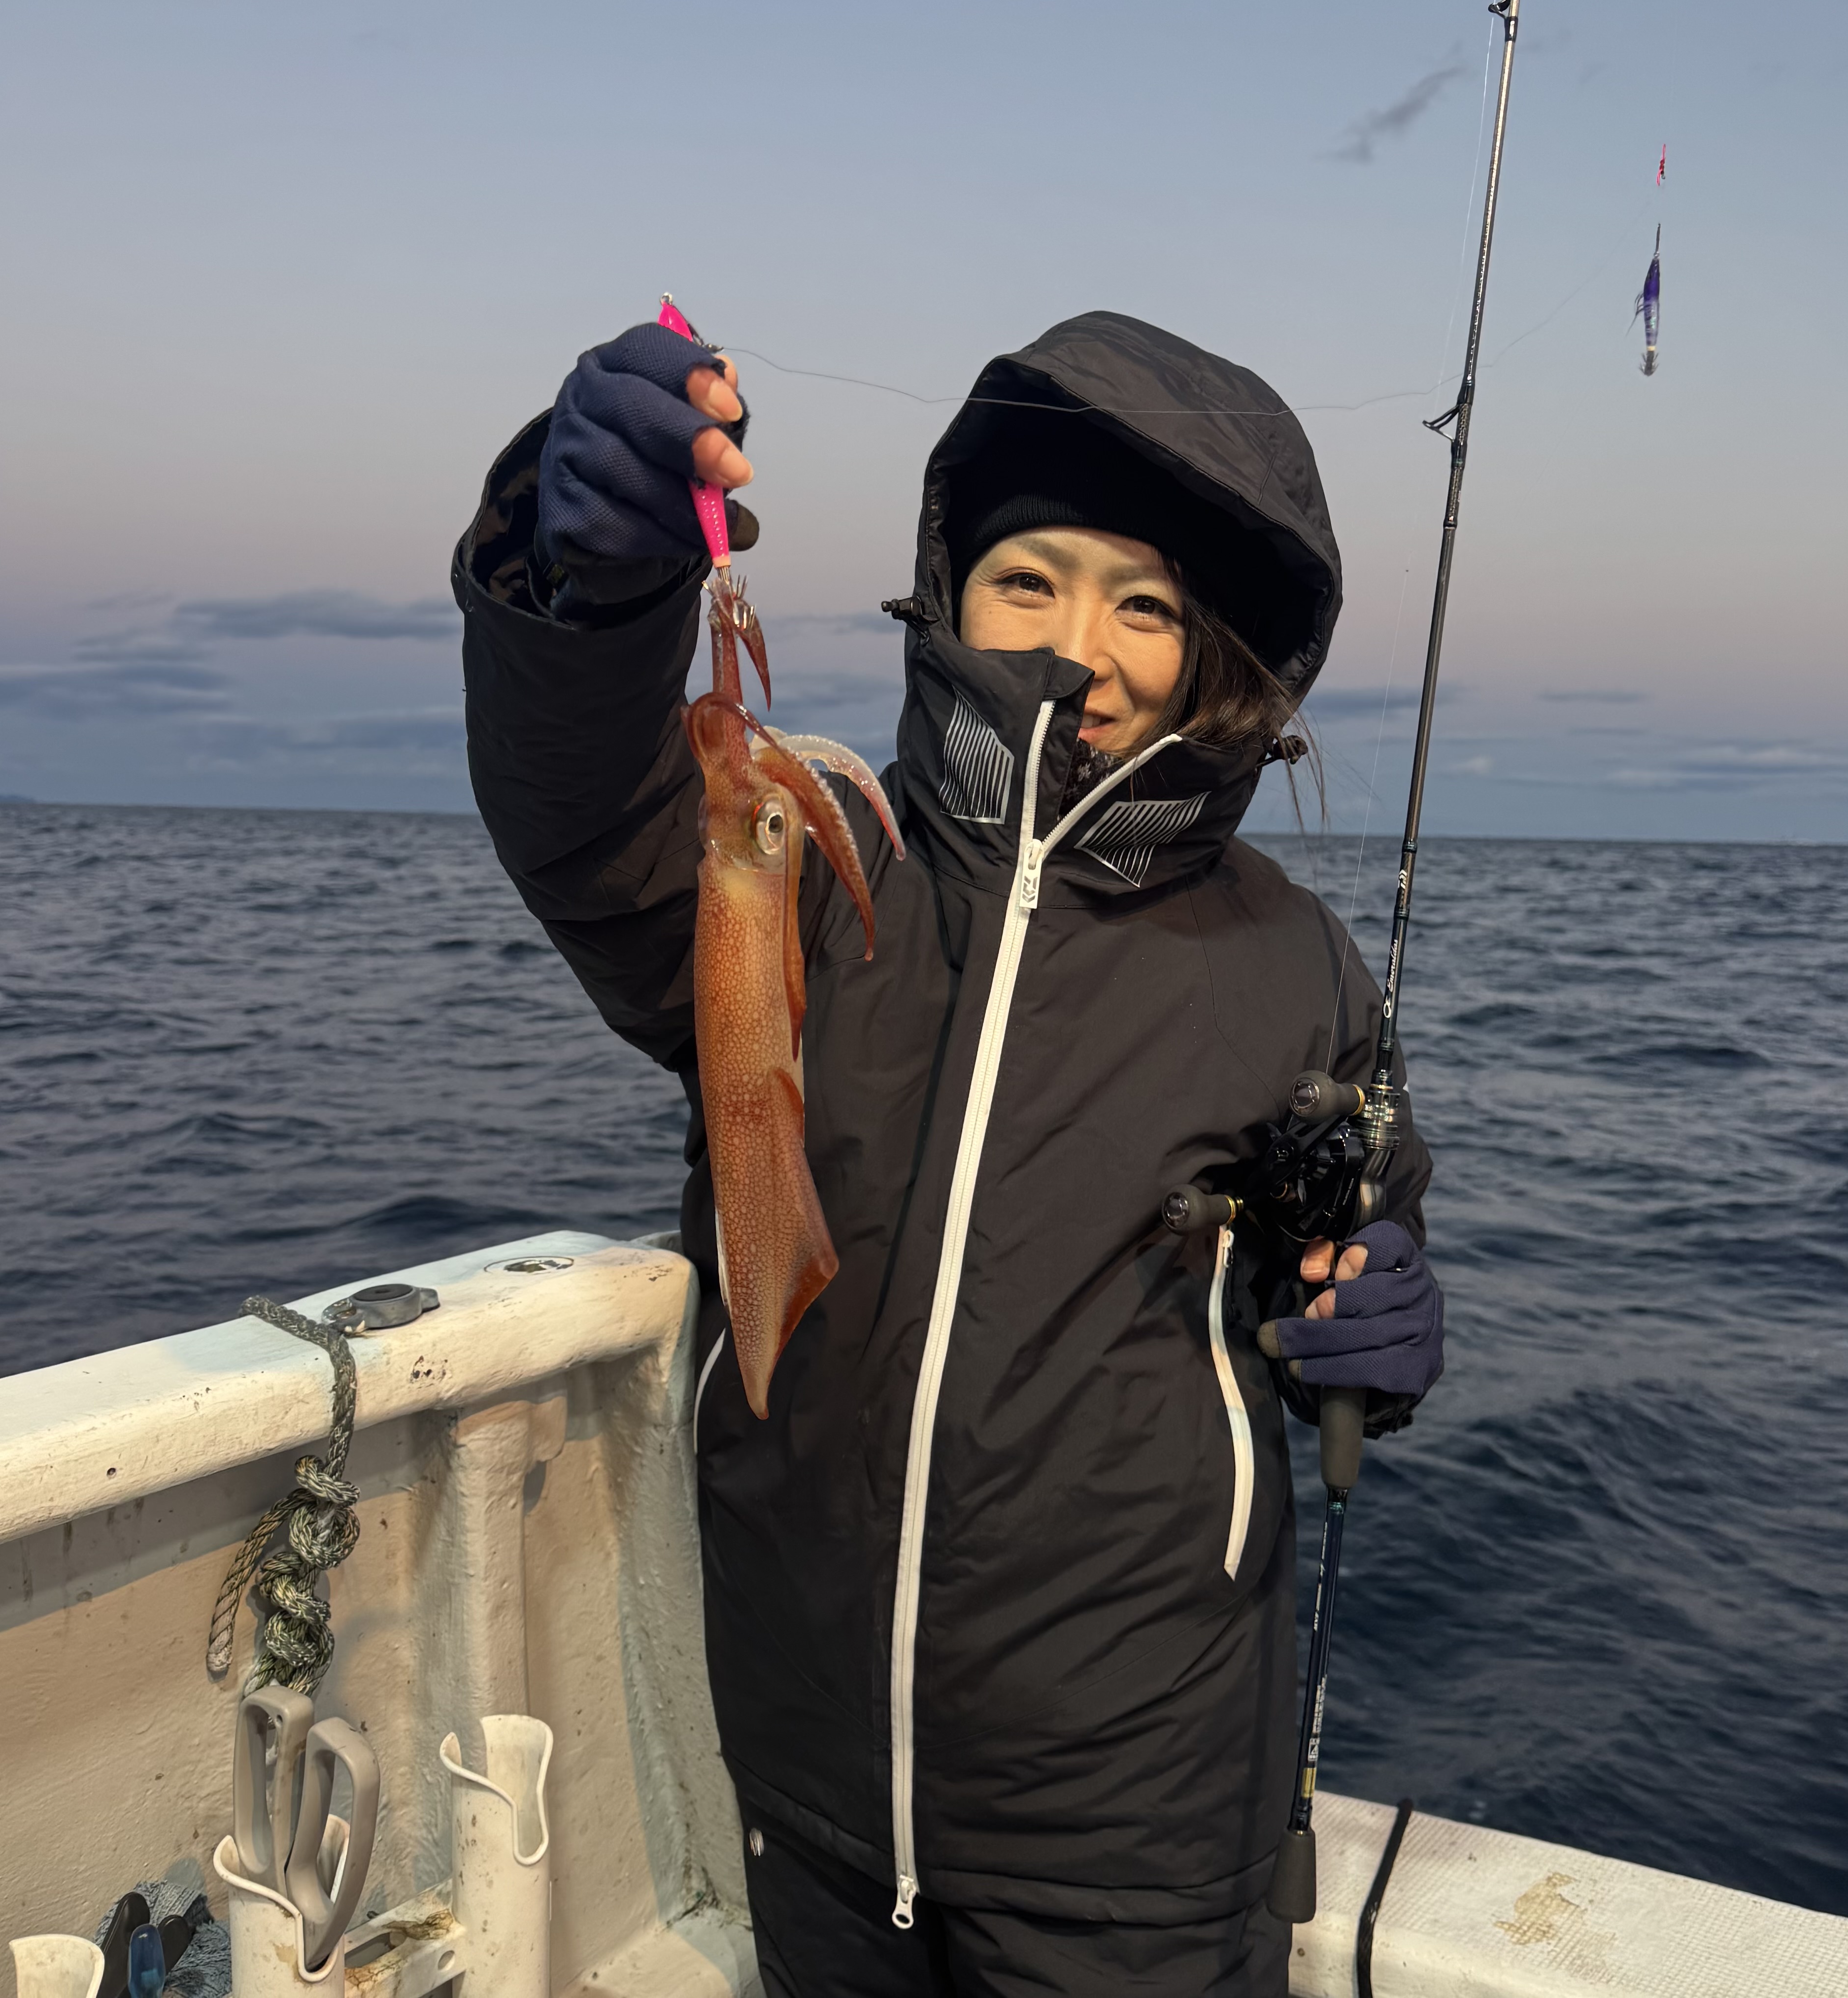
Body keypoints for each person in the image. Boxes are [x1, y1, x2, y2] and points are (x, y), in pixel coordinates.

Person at [453, 310, 1445, 1997]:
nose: (1080, 647)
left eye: (1145, 605)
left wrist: (1372, 1317)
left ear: (1215, 649)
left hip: (1138, 1818)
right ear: (948, 595)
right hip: (807, 1767)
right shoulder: (820, 857)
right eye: (1027, 580)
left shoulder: (1295, 961)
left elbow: (1350, 1222)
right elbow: (586, 820)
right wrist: (588, 589)